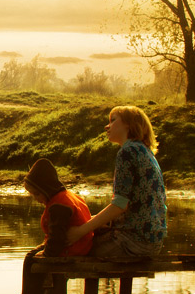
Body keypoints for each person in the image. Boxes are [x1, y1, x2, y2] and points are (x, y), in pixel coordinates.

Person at [67, 106, 167, 262]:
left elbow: (120, 205)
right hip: (152, 241)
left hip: (133, 242)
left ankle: (46, 285)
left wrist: (80, 231)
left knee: (66, 251)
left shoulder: (127, 152)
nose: (107, 126)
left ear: (128, 124)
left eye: (113, 121)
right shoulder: (144, 150)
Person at [1, 158, 94, 294]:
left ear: (46, 188)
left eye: (37, 193)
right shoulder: (65, 197)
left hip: (72, 247)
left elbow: (57, 236)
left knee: (33, 259)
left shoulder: (59, 205)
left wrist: (47, 253)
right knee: (31, 256)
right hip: (76, 243)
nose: (35, 198)